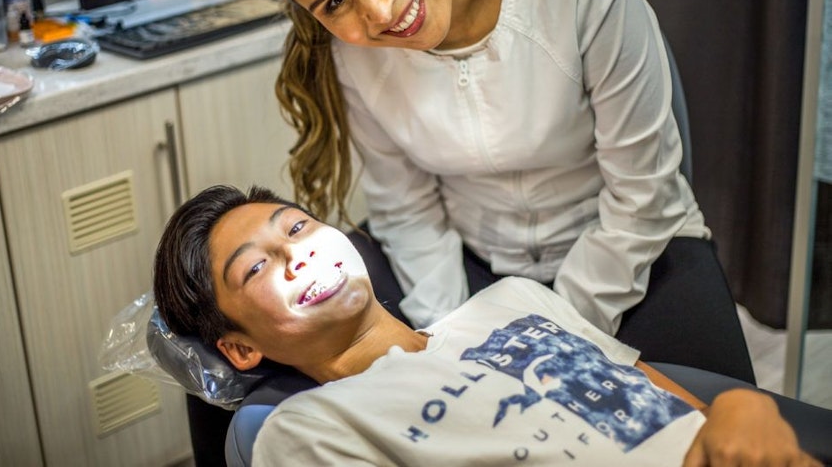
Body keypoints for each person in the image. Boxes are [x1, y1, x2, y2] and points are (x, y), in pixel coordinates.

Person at [250, 0, 756, 382]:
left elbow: (643, 198)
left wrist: (550, 333)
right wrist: (448, 334)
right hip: (473, 262)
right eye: (336, 3)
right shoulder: (353, 55)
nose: (379, 10)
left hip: (633, 247)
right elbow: (407, 209)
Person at [152, 184, 821, 467]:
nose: (297, 253)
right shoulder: (304, 432)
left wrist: (737, 406)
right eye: (256, 268)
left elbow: (652, 399)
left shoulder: (513, 302)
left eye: (296, 226)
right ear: (240, 347)